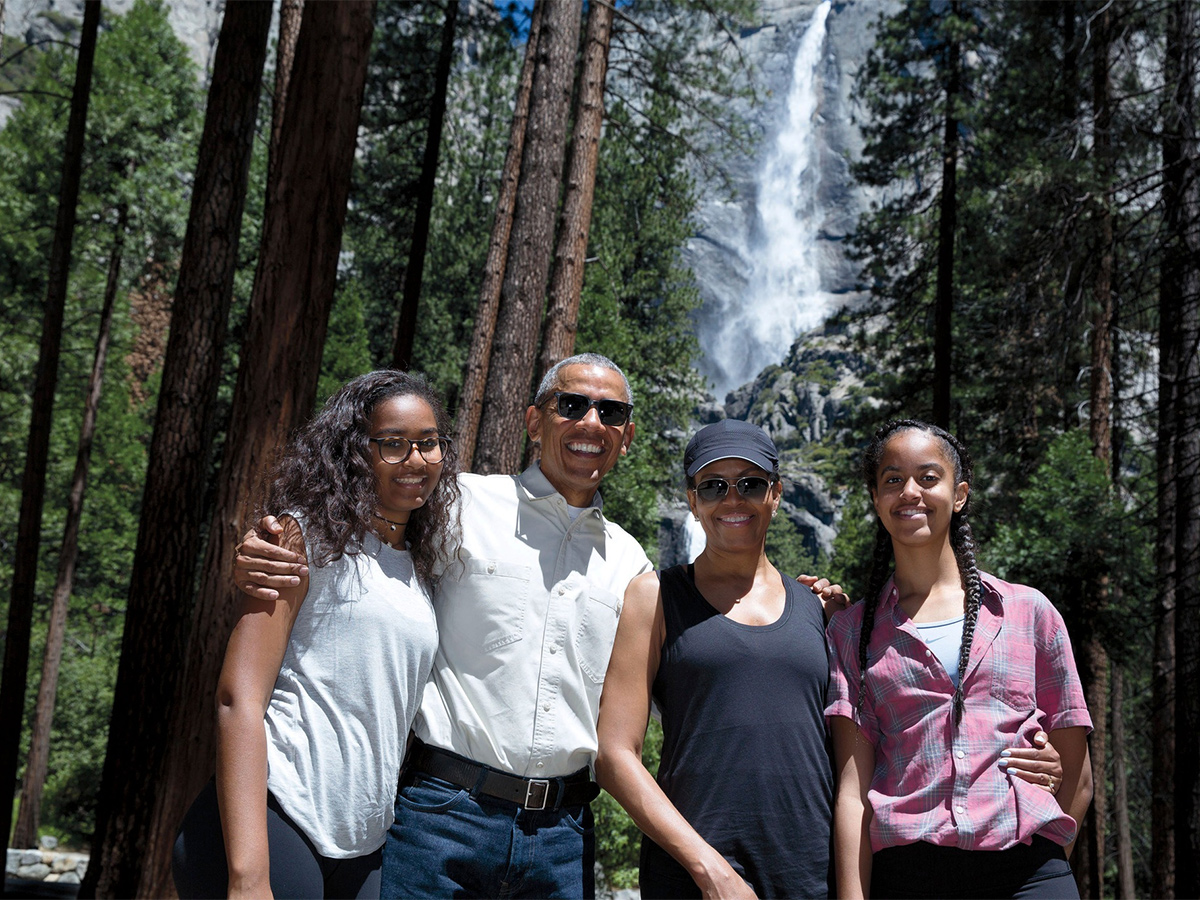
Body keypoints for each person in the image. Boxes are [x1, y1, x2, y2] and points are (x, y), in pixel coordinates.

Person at [233, 353, 653, 899]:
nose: (591, 423)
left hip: (562, 838)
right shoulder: (456, 504)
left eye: (611, 412)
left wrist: (803, 602)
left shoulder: (632, 565)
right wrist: (260, 547)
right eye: (572, 404)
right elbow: (351, 530)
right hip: (441, 816)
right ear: (534, 421)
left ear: (627, 435)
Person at [172, 370, 462, 899]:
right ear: (355, 452)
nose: (416, 460)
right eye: (392, 444)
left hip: (361, 845)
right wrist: (248, 876)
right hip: (274, 816)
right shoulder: (302, 537)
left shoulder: (420, 567)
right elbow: (239, 699)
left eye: (427, 442)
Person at [826, 419, 1094, 900]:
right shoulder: (852, 632)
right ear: (875, 499)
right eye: (892, 479)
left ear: (961, 492)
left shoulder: (1030, 613)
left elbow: (1077, 775)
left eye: (929, 477)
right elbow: (853, 794)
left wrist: (1047, 869)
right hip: (909, 878)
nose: (910, 492)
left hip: (1028, 871)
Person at [596, 419, 834, 899]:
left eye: (750, 483)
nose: (732, 499)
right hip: (695, 876)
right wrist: (710, 870)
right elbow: (613, 755)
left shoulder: (818, 606)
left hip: (809, 872)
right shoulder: (654, 595)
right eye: (712, 486)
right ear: (691, 500)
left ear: (777, 493)